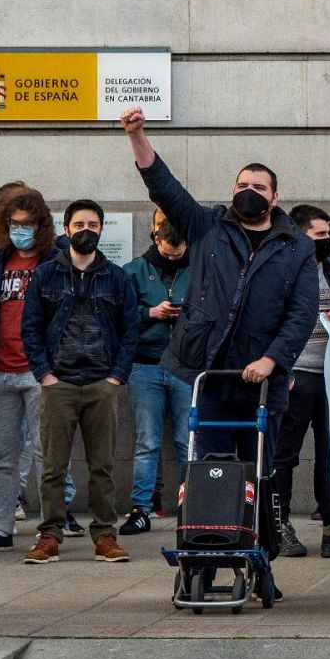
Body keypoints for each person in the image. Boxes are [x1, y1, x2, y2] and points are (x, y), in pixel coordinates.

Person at [119, 106, 318, 481]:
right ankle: (213, 539)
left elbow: (302, 313)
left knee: (259, 472)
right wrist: (136, 135)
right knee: (213, 471)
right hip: (210, 374)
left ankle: (261, 538)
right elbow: (164, 186)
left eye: (259, 188)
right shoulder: (206, 226)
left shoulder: (298, 247)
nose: (249, 192)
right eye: (242, 186)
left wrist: (272, 360)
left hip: (261, 378)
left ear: (274, 198)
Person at [19, 200, 137, 564]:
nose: (87, 230)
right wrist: (45, 375)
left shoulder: (117, 277)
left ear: (102, 229)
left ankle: (105, 534)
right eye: (79, 224)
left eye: (93, 224)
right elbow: (30, 328)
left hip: (102, 383)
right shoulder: (45, 275)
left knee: (102, 465)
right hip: (60, 384)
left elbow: (130, 329)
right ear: (66, 228)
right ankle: (49, 535)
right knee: (54, 465)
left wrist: (117, 376)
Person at [0, 188, 76, 553]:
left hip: (40, 370)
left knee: (48, 452)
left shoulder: (57, 261)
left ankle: (50, 528)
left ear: (41, 225)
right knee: (1, 455)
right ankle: (1, 527)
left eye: (27, 225)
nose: (20, 231)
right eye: (13, 224)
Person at [273, 204, 330, 559]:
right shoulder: (281, 270)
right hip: (295, 375)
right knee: (284, 456)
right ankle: (280, 524)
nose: (327, 242)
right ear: (301, 235)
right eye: (320, 236)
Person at [119, 220, 192, 535]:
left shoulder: (199, 269)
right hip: (145, 364)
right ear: (155, 239)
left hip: (187, 365)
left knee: (186, 441)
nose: (174, 256)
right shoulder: (134, 270)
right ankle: (141, 508)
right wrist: (150, 313)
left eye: (180, 251)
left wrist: (187, 314)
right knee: (147, 441)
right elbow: (118, 315)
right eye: (168, 250)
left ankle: (191, 506)